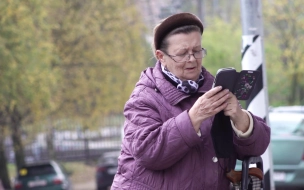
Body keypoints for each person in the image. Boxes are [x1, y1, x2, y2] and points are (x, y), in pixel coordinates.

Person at [111, 12, 270, 190]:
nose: (192, 59)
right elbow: (149, 153)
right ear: (161, 56)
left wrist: (240, 118)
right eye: (182, 54)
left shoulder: (214, 88)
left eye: (197, 51)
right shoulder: (143, 98)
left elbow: (258, 147)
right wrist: (194, 117)